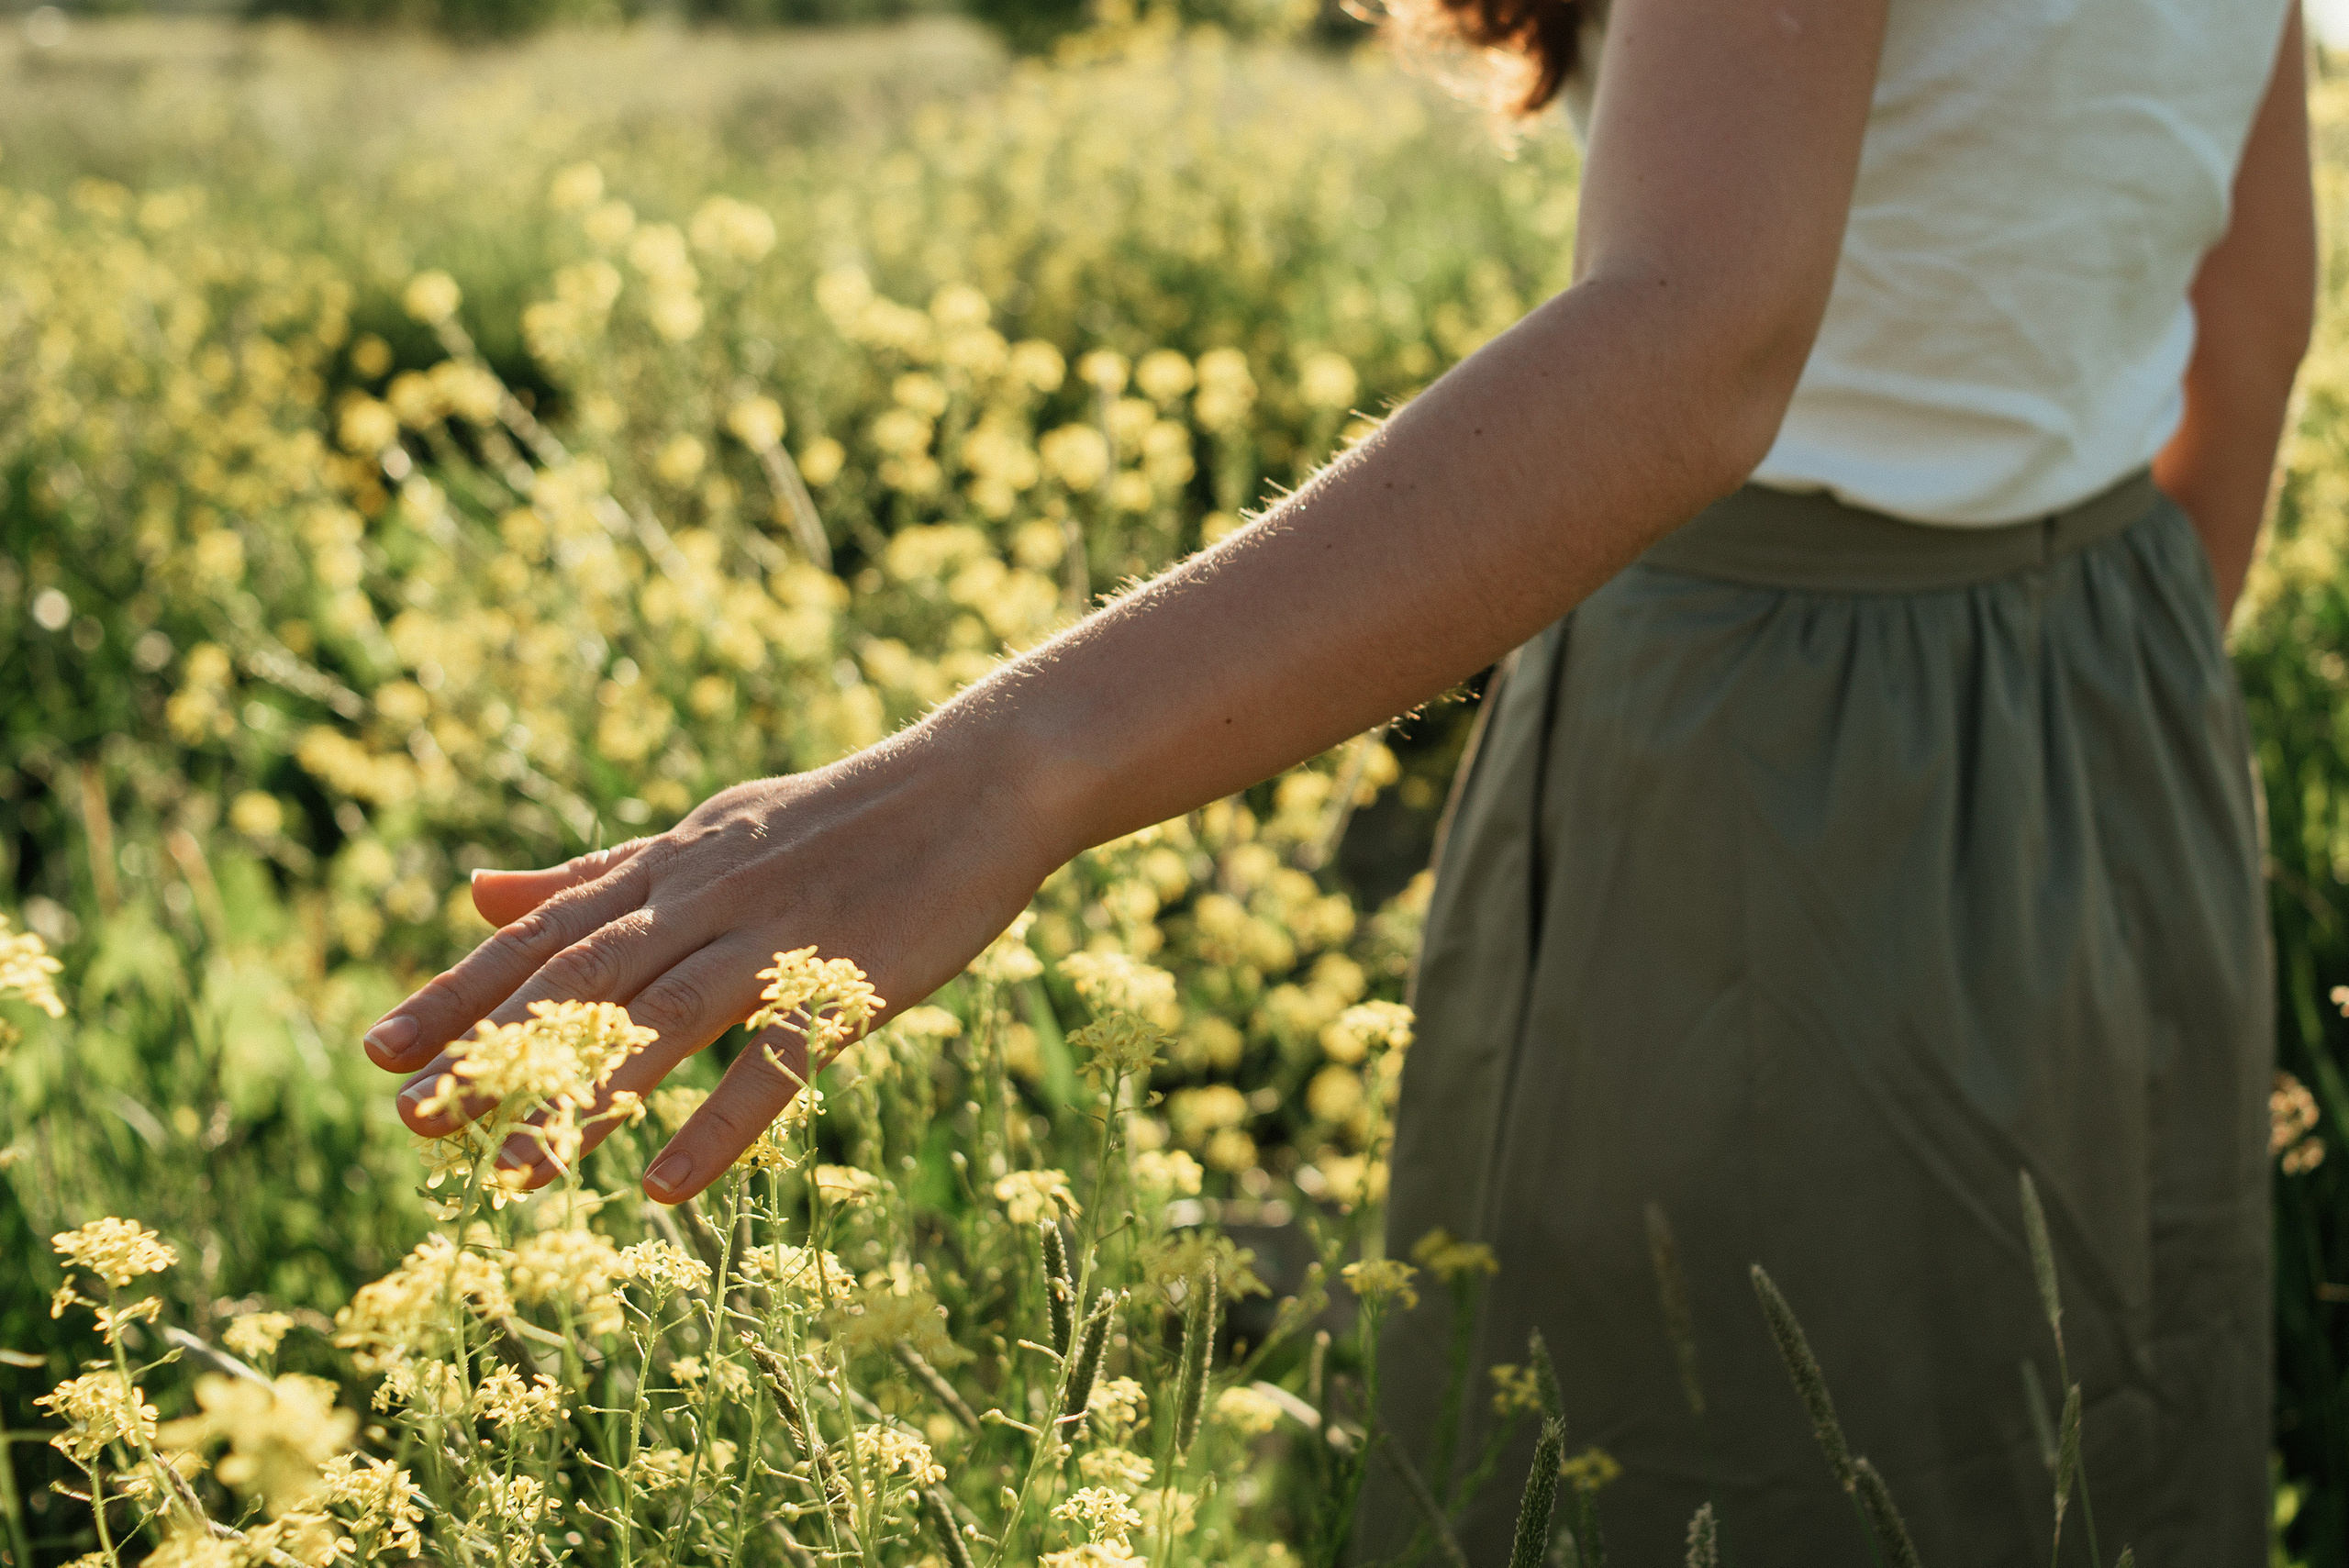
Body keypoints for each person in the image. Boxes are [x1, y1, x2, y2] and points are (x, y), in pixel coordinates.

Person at [358, 0, 2314, 1553]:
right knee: (2076, 1439)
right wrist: (2072, 759)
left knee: (1703, 1460)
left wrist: (997, 774)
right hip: (2110, 692)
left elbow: (1702, 336)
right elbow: (2248, 310)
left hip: (1759, 749)